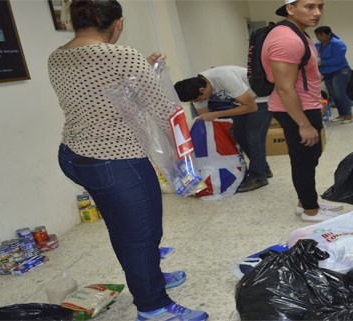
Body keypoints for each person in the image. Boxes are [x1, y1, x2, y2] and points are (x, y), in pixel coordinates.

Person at [48, 1, 207, 320]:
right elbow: (165, 112)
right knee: (142, 235)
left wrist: (141, 70)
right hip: (116, 161)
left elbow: (98, 90)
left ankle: (149, 280)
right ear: (117, 24)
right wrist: (184, 162)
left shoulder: (58, 56)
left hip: (74, 156)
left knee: (123, 229)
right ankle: (153, 307)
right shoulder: (121, 55)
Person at [264, 0, 343, 221]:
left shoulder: (298, 33)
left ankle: (306, 201)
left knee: (310, 156)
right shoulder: (287, 39)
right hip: (294, 108)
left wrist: (316, 104)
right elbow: (284, 88)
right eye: (309, 6)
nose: (317, 12)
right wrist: (303, 124)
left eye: (320, 6)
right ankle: (310, 211)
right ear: (290, 8)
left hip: (305, 104)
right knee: (304, 161)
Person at [174, 66, 272, 192]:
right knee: (239, 136)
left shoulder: (224, 77)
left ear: (202, 90)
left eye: (199, 99)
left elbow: (251, 107)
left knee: (254, 137)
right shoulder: (195, 91)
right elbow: (205, 118)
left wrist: (215, 114)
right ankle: (263, 168)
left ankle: (258, 177)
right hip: (241, 103)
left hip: (262, 99)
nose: (200, 102)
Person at [314, 26, 353, 123]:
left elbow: (338, 59)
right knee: (334, 95)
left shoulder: (338, 44)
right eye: (317, 35)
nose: (319, 37)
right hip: (326, 73)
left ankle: (348, 115)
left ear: (329, 34)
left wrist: (322, 62)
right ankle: (341, 115)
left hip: (340, 71)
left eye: (321, 35)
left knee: (340, 94)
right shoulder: (317, 45)